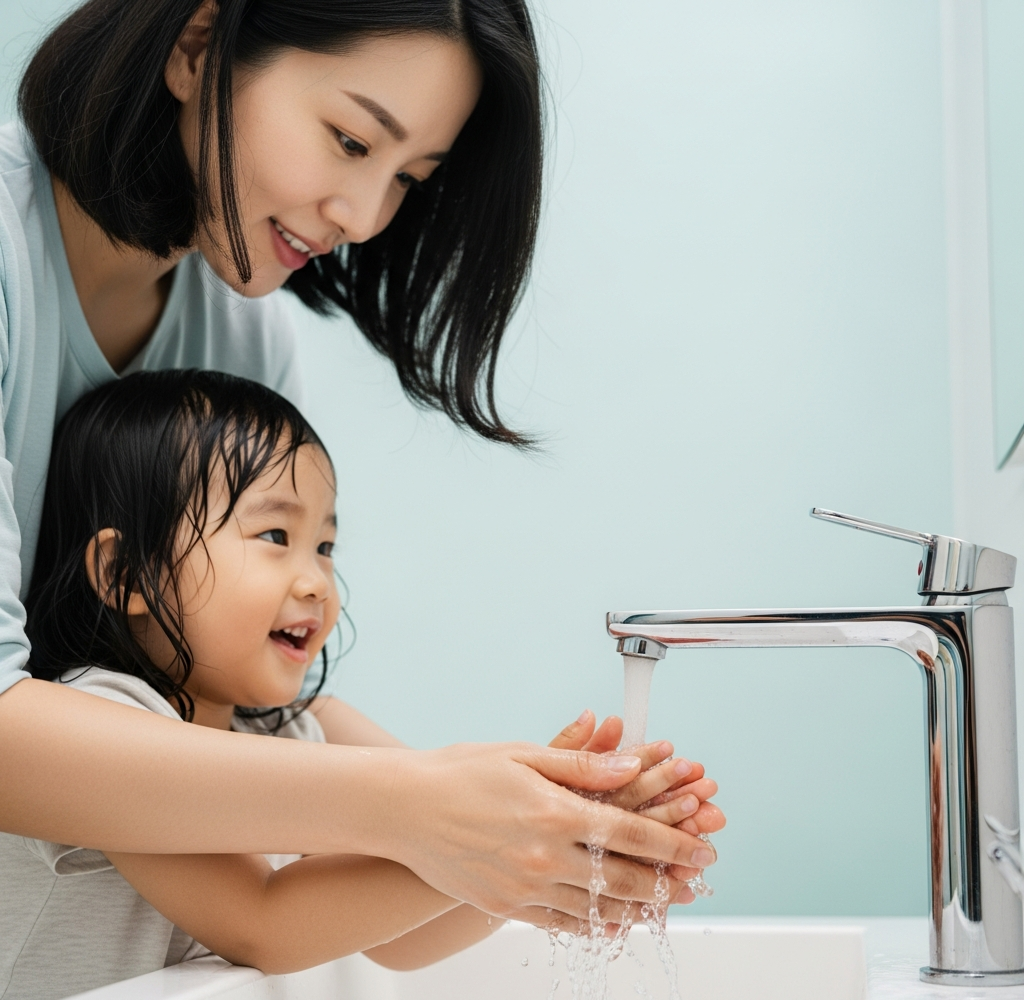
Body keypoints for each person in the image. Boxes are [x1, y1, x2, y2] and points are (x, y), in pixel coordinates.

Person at [0, 0, 721, 936]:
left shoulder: (240, 331)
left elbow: (329, 896)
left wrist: (539, 834)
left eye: (409, 180)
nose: (365, 217)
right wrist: (414, 805)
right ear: (196, 44)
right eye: (349, 140)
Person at [0, 370, 718, 1000]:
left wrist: (556, 832)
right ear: (125, 573)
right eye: (275, 534)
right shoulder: (105, 724)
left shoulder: (295, 726)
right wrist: (507, 845)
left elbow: (404, 938)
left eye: (326, 547)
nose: (316, 580)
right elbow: (267, 921)